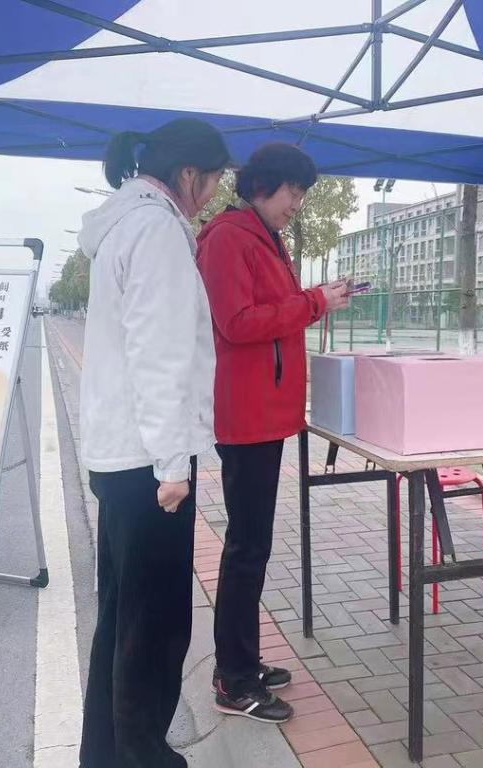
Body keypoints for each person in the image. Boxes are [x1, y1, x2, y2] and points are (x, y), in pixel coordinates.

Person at [76, 118, 230, 768]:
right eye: (213, 182)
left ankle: (106, 754)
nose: (212, 196)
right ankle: (140, 758)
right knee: (155, 628)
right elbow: (160, 357)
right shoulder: (158, 231)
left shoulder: (119, 227)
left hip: (120, 455)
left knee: (122, 620)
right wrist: (173, 466)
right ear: (189, 175)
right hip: (148, 464)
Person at [196, 143, 350, 723]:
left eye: (303, 194)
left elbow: (274, 310)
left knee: (252, 545)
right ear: (263, 184)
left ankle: (243, 660)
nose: (298, 204)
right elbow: (236, 323)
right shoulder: (228, 238)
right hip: (245, 416)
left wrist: (312, 301)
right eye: (294, 191)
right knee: (246, 547)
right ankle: (233, 679)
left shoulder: (263, 237)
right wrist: (314, 302)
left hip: (264, 412)